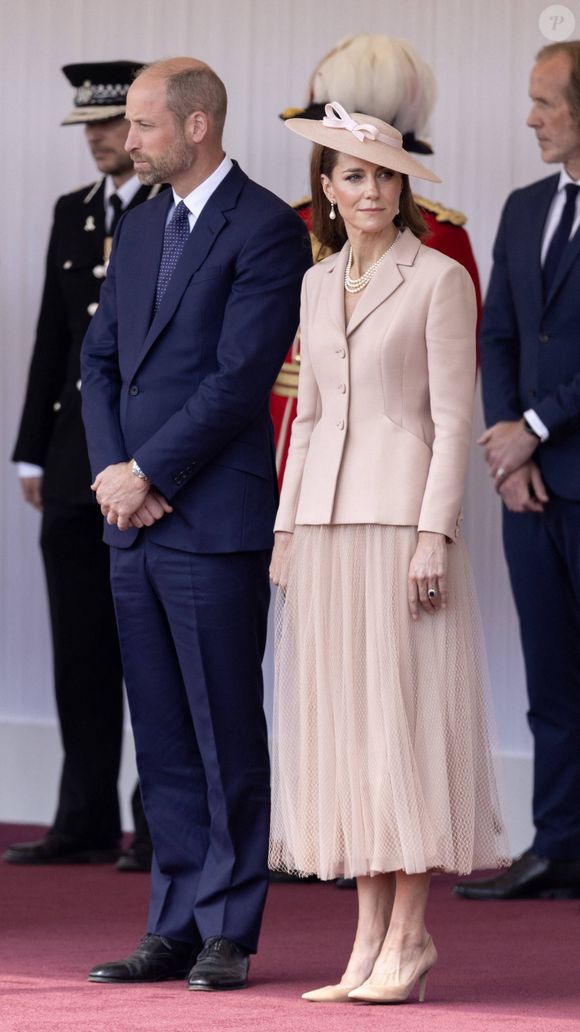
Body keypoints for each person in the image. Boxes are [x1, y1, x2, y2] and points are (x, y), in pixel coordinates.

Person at [269, 102, 509, 1004]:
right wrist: (287, 529)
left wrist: (432, 535)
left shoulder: (440, 279)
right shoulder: (316, 282)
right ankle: (366, 943)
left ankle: (409, 940)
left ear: (405, 185)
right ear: (327, 191)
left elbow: (453, 423)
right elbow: (311, 418)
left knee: (402, 729)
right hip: (324, 531)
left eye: (386, 175)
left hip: (399, 526)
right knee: (346, 734)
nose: (372, 190)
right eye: (354, 175)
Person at [80, 58, 311, 990]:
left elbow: (239, 377)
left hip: (210, 519)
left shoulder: (262, 228)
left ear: (198, 125)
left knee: (223, 730)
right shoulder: (138, 226)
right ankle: (171, 923)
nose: (129, 142)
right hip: (132, 519)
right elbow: (99, 362)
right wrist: (112, 473)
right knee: (164, 730)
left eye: (142, 125)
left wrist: (149, 471)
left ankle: (227, 927)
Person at [7, 61, 159, 873]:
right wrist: (30, 448)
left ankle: (155, 818)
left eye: (113, 124)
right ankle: (85, 813)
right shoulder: (75, 212)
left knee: (148, 647)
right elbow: (51, 340)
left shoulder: (168, 212)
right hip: (71, 463)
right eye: (91, 128)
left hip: (145, 464)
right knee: (80, 646)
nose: (102, 140)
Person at [454, 41, 580, 901]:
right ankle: (560, 845)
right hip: (526, 484)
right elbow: (496, 331)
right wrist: (506, 443)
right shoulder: (524, 205)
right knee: (551, 675)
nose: (530, 118)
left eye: (546, 102)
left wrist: (535, 425)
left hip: (559, 456)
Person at [270, 33, 483, 488]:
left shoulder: (441, 236)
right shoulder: (290, 222)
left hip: (389, 456)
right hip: (282, 433)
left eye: (383, 170)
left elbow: (451, 383)